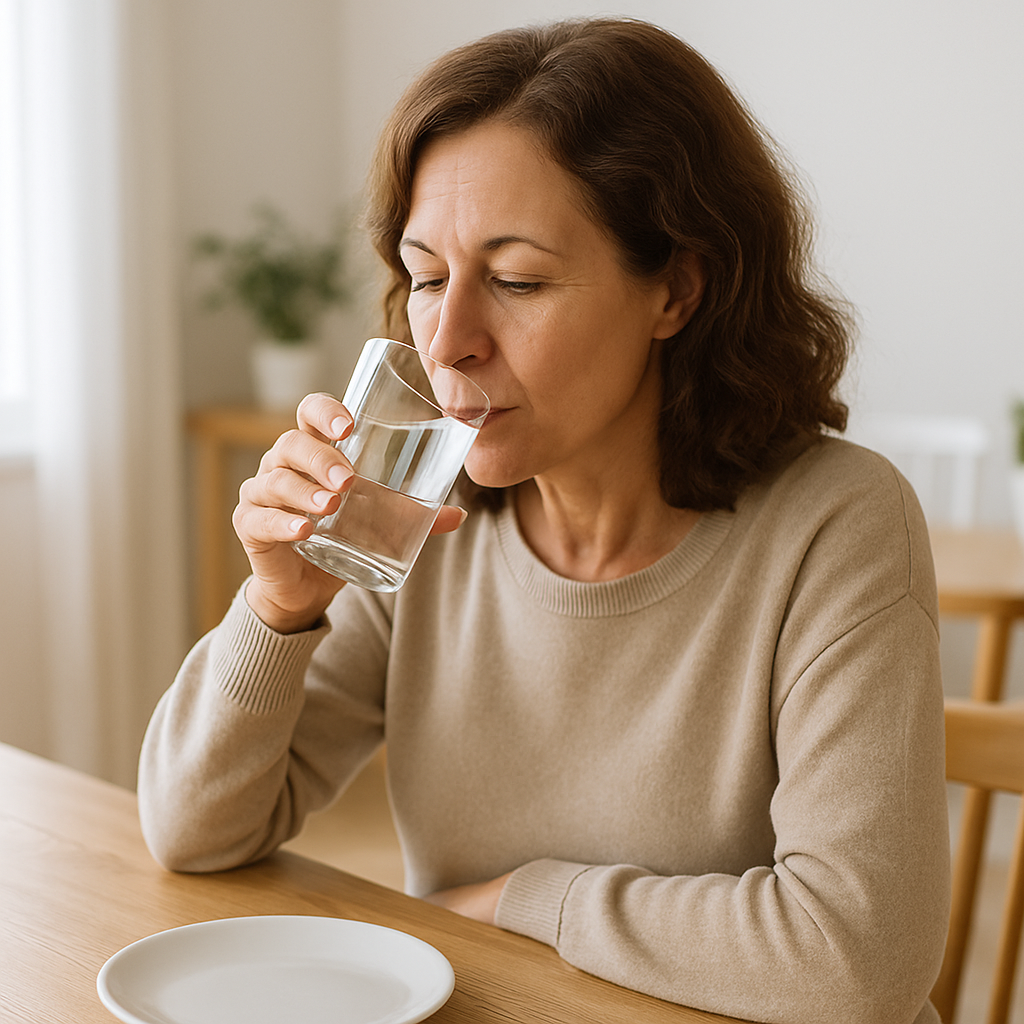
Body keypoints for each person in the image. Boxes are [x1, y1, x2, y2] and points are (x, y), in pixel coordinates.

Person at [139, 17, 950, 1024]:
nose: (449, 341)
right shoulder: (422, 524)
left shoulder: (837, 522)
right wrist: (278, 605)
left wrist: (517, 899)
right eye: (427, 276)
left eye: (517, 279)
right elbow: (194, 834)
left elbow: (856, 959)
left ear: (676, 290)